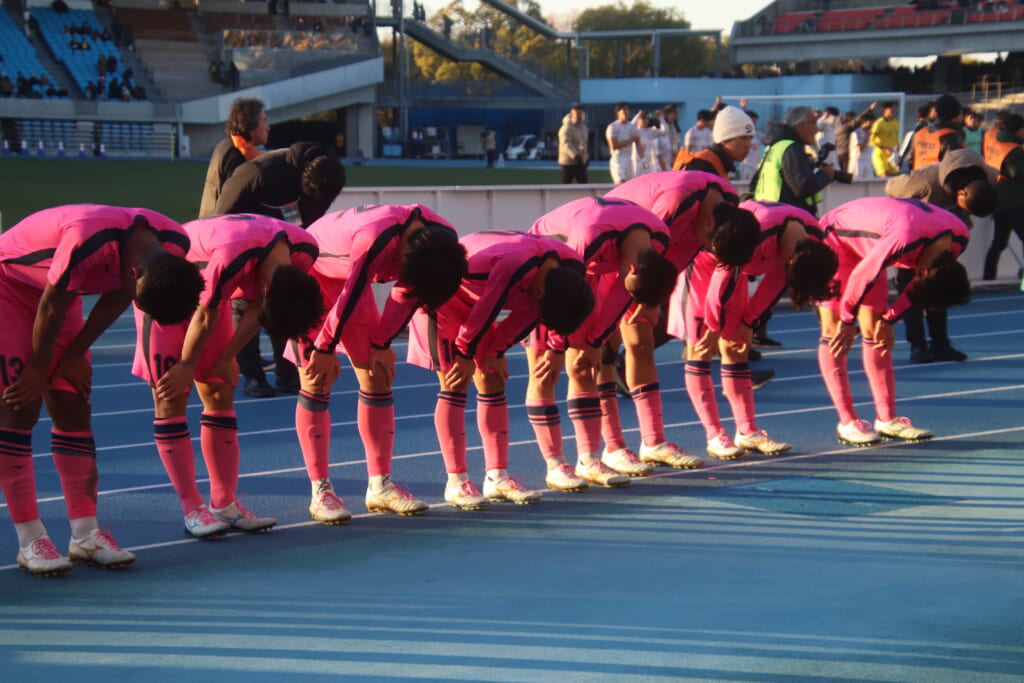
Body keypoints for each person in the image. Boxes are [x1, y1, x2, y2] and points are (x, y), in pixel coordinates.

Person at [0, 205, 202, 576]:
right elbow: (50, 305)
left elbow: (121, 294)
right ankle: (30, 539)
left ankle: (85, 534)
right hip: (9, 288)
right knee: (19, 406)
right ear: (136, 272)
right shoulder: (87, 240)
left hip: (61, 294)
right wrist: (39, 369)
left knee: (73, 406)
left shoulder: (174, 245)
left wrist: (75, 354)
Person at [132, 213, 323, 537]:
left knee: (219, 389)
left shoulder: (304, 251)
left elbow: (261, 306)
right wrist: (186, 365)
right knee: (170, 395)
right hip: (165, 287)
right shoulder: (232, 254)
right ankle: (192, 508)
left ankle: (224, 502)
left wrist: (226, 358)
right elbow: (204, 315)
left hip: (213, 297)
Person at [290, 204, 467, 518]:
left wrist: (383, 343)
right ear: (404, 252)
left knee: (378, 373)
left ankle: (380, 487)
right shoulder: (374, 239)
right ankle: (321, 492)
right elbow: (350, 293)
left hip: (352, 281)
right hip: (311, 278)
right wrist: (325, 348)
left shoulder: (442, 241)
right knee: (316, 378)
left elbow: (407, 292)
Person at [407, 231, 594, 507]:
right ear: (540, 292)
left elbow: (531, 312)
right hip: (442, 300)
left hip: (478, 303)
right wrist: (466, 352)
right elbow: (490, 305)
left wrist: (498, 350)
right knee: (455, 382)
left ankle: (496, 476)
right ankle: (456, 482)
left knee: (493, 378)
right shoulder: (516, 264)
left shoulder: (570, 269)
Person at [605, 171, 760, 466]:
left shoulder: (726, 203)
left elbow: (683, 252)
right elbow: (642, 244)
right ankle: (612, 447)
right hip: (615, 250)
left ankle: (653, 442)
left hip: (645, 255)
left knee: (642, 341)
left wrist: (656, 295)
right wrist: (647, 294)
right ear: (710, 225)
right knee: (605, 350)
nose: (708, 252)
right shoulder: (676, 202)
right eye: (710, 247)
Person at [526, 197, 678, 489]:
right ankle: (555, 465)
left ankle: (589, 460)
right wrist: (556, 346)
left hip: (597, 266)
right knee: (545, 370)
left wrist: (595, 341)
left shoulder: (658, 240)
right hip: (548, 271)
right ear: (633, 269)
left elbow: (620, 295)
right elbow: (564, 292)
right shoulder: (589, 236)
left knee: (585, 363)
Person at [684, 200, 838, 458]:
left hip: (736, 268)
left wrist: (749, 323)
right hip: (707, 261)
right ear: (790, 257)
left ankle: (747, 431)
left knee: (737, 346)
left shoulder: (811, 242)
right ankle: (714, 435)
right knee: (701, 347)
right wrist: (713, 326)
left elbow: (776, 281)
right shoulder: (759, 233)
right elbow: (722, 278)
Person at [817, 197, 971, 446]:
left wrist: (890, 320)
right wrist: (847, 320)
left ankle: (887, 419)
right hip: (834, 238)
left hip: (872, 247)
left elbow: (919, 286)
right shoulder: (904, 239)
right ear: (923, 272)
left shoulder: (958, 239)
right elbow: (861, 276)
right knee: (834, 329)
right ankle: (847, 422)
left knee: (876, 330)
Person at [215, 142, 345, 398]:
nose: (316, 200)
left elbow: (310, 221)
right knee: (245, 307)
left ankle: (286, 372)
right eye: (310, 194)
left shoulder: (328, 180)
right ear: (302, 179)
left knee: (285, 302)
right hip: (243, 242)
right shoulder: (257, 173)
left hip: (283, 245)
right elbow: (222, 215)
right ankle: (252, 375)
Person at [886, 148, 997, 362]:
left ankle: (941, 345)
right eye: (967, 208)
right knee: (911, 291)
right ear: (961, 193)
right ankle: (917, 345)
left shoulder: (989, 177)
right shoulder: (924, 182)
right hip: (911, 238)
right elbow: (890, 187)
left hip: (942, 239)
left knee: (941, 285)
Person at [752, 105, 851, 217]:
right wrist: (827, 174)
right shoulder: (792, 148)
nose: (816, 130)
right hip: (788, 216)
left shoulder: (775, 146)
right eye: (813, 123)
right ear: (799, 127)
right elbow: (804, 187)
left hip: (771, 212)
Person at [198, 97, 269, 219]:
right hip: (221, 225)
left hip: (212, 222)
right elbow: (235, 200)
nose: (267, 128)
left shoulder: (228, 146)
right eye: (264, 121)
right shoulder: (235, 153)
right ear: (251, 126)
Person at [983, 112, 1024, 281]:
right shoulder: (1014, 150)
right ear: (1018, 130)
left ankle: (988, 277)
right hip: (1014, 201)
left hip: (998, 199)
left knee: (999, 242)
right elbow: (1018, 172)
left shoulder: (997, 140)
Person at [682, 105, 754, 179]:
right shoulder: (702, 167)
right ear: (724, 140)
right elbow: (688, 150)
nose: (749, 145)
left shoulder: (720, 165)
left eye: (751, 138)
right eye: (743, 138)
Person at [909, 93, 964, 171]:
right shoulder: (951, 137)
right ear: (958, 114)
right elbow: (953, 169)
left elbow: (910, 159)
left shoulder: (920, 132)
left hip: (917, 175)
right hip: (937, 178)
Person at [606, 102, 639, 184]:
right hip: (618, 159)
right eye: (623, 110)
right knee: (620, 182)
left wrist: (644, 160)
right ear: (618, 112)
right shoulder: (613, 127)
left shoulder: (632, 127)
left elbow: (638, 143)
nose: (626, 112)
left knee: (630, 184)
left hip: (629, 159)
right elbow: (613, 145)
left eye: (628, 110)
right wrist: (630, 141)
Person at [558, 105, 589, 184]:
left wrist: (585, 156)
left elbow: (582, 143)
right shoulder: (566, 127)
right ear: (571, 115)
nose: (579, 116)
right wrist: (575, 155)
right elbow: (566, 144)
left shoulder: (583, 128)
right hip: (568, 162)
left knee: (584, 185)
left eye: (581, 114)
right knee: (566, 185)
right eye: (577, 114)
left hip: (580, 162)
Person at [870, 101, 900, 177]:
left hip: (891, 155)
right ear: (884, 110)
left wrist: (897, 152)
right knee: (884, 176)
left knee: (892, 178)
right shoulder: (879, 123)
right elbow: (871, 140)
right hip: (880, 155)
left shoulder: (896, 123)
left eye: (895, 109)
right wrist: (884, 148)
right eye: (891, 109)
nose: (894, 111)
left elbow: (895, 138)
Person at [849, 113, 876, 178]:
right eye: (871, 123)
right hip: (857, 160)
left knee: (870, 179)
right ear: (864, 122)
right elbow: (859, 149)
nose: (872, 125)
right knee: (857, 180)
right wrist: (868, 138)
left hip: (867, 160)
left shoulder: (869, 133)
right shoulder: (856, 133)